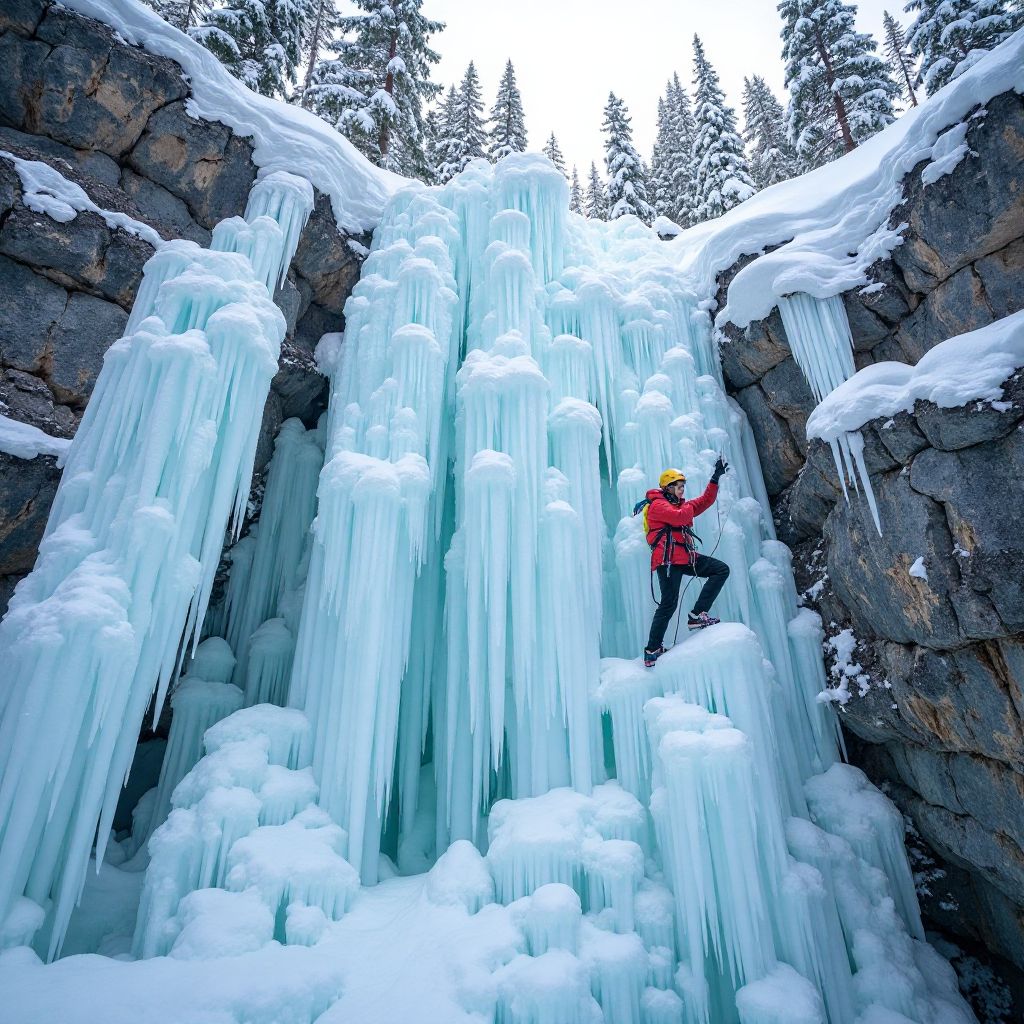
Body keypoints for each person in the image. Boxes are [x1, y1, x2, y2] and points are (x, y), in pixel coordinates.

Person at [641, 458, 730, 667]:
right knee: (668, 604)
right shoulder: (657, 506)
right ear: (668, 488)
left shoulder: (679, 506)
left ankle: (697, 614)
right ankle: (652, 649)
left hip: (685, 557)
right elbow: (681, 517)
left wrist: (715, 479)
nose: (682, 490)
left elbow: (704, 501)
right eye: (679, 486)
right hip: (667, 562)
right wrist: (691, 506)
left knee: (720, 570)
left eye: (683, 486)